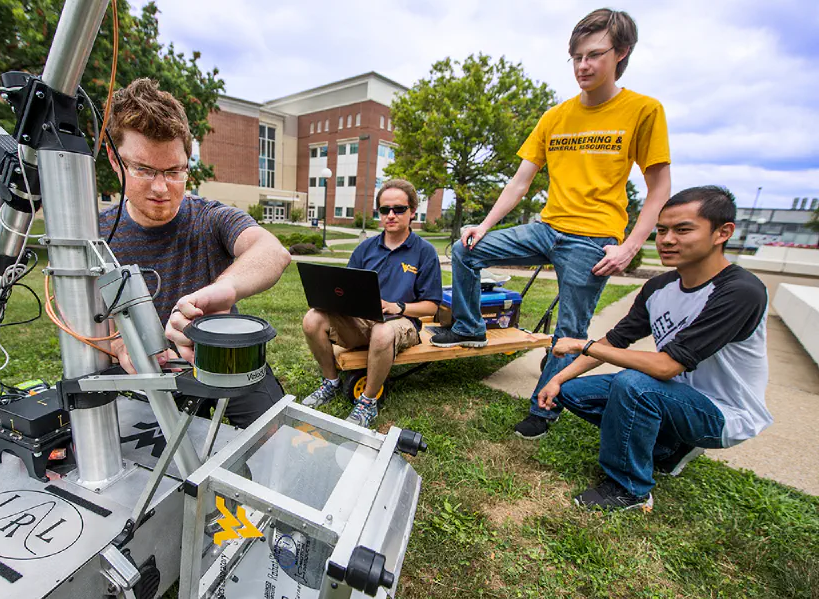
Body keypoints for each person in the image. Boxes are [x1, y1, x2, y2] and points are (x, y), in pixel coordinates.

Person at [431, 8, 672, 441]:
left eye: (595, 55)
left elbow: (658, 188)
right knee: (466, 249)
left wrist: (630, 246)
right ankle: (469, 328)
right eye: (576, 56)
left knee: (570, 330)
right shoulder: (555, 117)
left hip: (594, 237)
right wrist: (484, 225)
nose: (583, 65)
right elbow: (520, 181)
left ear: (621, 53)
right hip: (547, 226)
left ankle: (544, 406)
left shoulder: (643, 110)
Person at [536, 186, 772, 511]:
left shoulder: (740, 292)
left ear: (723, 233)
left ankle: (630, 489)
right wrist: (558, 379)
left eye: (683, 229)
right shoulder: (659, 287)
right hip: (671, 393)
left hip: (724, 412)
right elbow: (616, 340)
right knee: (574, 391)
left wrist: (582, 344)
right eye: (661, 230)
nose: (667, 239)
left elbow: (665, 367)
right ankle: (667, 447)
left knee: (634, 385)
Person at [99, 78, 292, 427]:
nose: (161, 187)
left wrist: (223, 290)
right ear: (114, 158)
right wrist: (115, 344)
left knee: (274, 437)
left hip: (224, 363)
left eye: (174, 171)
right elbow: (74, 316)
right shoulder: (98, 235)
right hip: (146, 379)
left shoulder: (210, 217)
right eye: (143, 169)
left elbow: (272, 251)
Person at [300, 179, 442, 428]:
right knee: (313, 318)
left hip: (402, 323)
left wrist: (399, 307)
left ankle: (367, 402)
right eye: (385, 209)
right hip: (363, 319)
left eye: (399, 209)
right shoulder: (365, 249)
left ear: (412, 212)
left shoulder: (424, 252)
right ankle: (331, 382)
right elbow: (344, 289)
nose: (391, 215)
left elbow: (432, 306)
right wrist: (335, 302)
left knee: (382, 329)